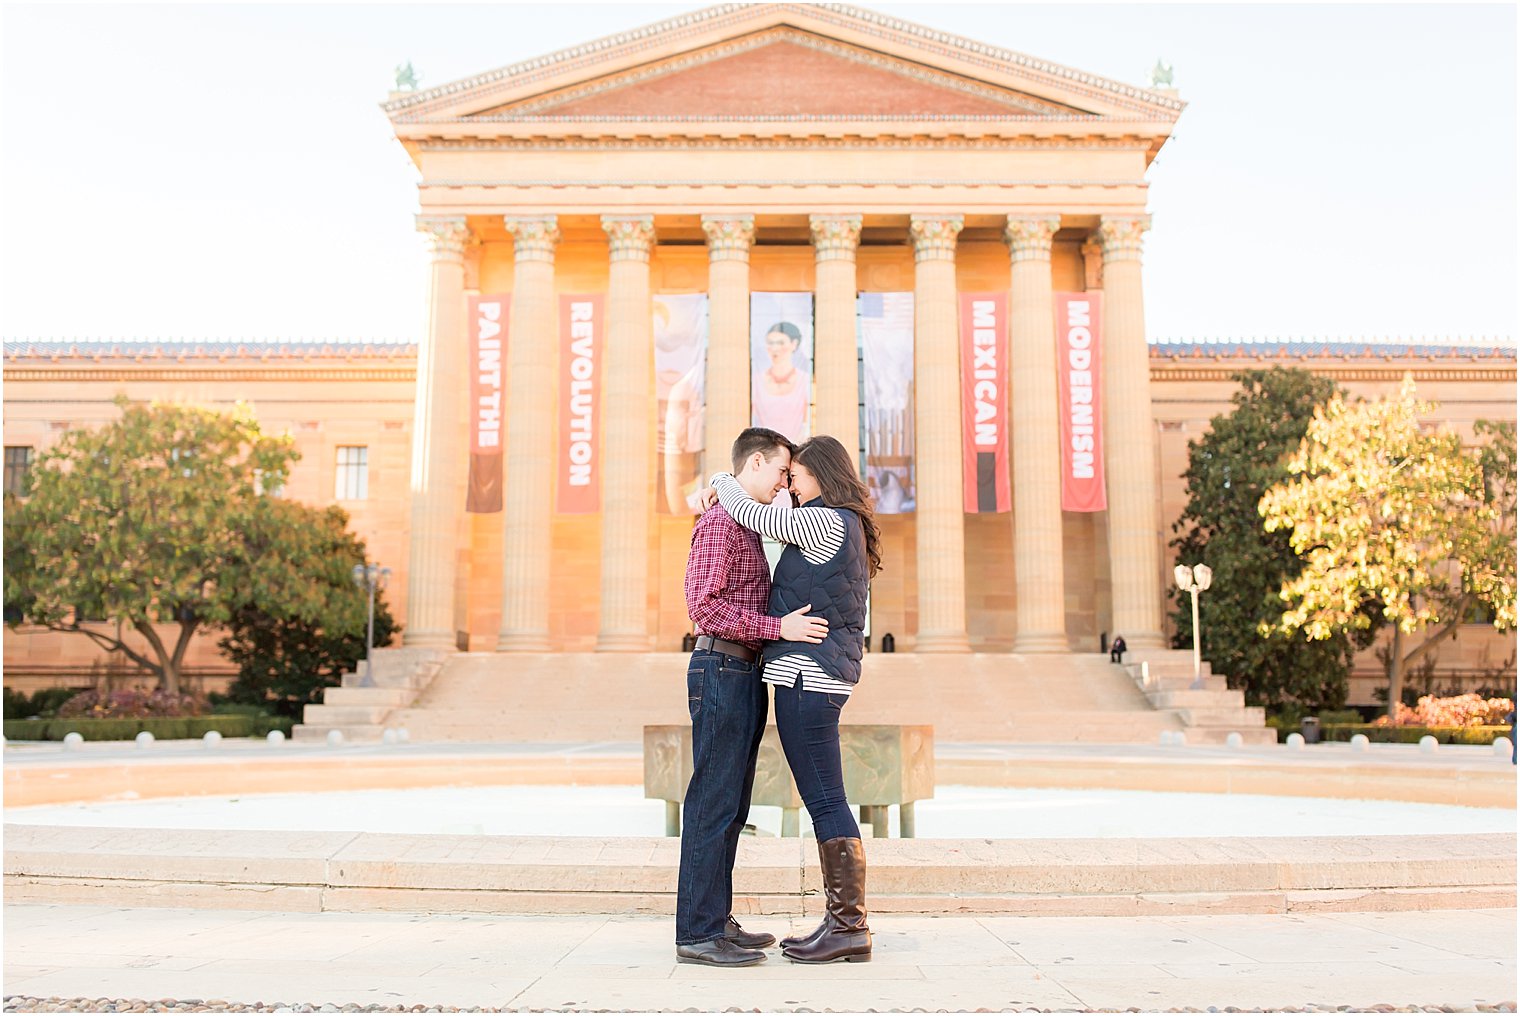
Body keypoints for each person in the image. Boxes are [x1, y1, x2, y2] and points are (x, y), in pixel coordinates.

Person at [707, 434, 881, 964]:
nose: (789, 484)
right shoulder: (837, 522)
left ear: (820, 475)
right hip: (814, 676)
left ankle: (848, 926)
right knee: (825, 797)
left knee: (826, 799)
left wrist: (719, 482)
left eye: (796, 475)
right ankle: (843, 923)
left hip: (809, 677)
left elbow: (756, 515)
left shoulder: (827, 519)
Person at [676, 427, 829, 968]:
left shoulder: (740, 517)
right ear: (757, 462)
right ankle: (697, 931)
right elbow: (704, 609)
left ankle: (715, 920)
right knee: (712, 802)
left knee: (732, 804)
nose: (786, 482)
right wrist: (777, 626)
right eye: (782, 471)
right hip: (720, 664)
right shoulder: (719, 522)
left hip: (740, 671)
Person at [751, 321, 810, 443]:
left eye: (780, 343)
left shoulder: (806, 380)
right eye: (770, 343)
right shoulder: (755, 381)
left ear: (794, 344)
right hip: (764, 449)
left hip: (798, 448)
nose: (775, 348)